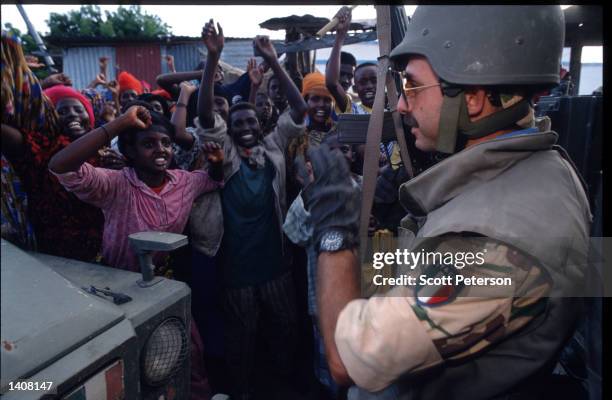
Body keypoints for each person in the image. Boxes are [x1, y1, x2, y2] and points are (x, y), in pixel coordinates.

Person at [298, 5, 591, 399]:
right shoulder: (550, 166)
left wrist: (334, 228)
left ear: (471, 99)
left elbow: (346, 359)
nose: (402, 105)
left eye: (413, 85)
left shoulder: (494, 246)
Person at [194, 19, 308, 399]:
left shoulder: (273, 147)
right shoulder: (223, 154)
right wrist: (214, 58)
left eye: (250, 120)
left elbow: (299, 109)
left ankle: (284, 387)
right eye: (236, 121)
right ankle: (242, 392)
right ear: (229, 128)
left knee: (285, 331)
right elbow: (207, 116)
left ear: (260, 123)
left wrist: (275, 61)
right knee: (241, 341)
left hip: (276, 266)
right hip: (236, 273)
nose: (244, 125)